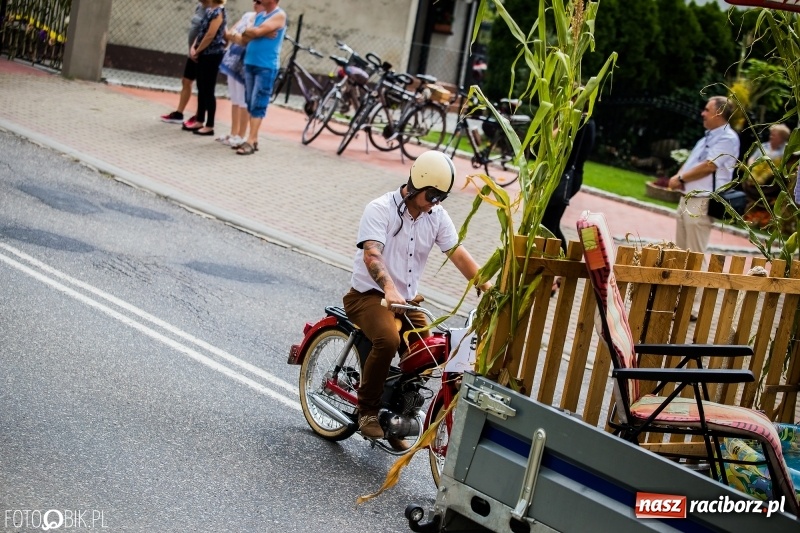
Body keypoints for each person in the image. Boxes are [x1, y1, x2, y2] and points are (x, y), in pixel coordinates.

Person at [342, 151, 492, 448]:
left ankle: (400, 411)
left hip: (406, 301)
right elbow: (371, 254)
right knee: (387, 339)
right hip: (368, 295)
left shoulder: (436, 216)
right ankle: (367, 411)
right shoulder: (380, 209)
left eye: (441, 197)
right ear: (416, 185)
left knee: (429, 350)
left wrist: (486, 286)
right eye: (432, 195)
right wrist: (389, 288)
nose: (435, 203)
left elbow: (457, 254)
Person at [668, 96, 740, 263]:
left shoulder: (728, 138)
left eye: (707, 110)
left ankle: (697, 282)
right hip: (687, 198)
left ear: (719, 113)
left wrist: (680, 178)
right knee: (680, 254)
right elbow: (691, 162)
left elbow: (709, 166)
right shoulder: (706, 137)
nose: (702, 113)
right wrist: (678, 177)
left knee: (694, 257)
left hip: (702, 200)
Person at [227, 0, 286, 155]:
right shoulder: (260, 16)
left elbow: (253, 33)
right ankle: (254, 139)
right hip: (250, 63)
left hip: (265, 66)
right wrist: (257, 32)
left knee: (259, 102)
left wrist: (256, 32)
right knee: (250, 101)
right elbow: (244, 38)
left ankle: (251, 140)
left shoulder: (279, 15)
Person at [541, 117, 596, 253]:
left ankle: (562, 259)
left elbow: (552, 141)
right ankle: (557, 258)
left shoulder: (581, 122)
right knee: (549, 223)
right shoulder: (584, 121)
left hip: (565, 179)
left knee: (549, 225)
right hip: (567, 178)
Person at [184, 0, 227, 136]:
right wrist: (194, 46)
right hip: (203, 53)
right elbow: (201, 32)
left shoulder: (218, 12)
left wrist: (198, 50)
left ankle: (210, 125)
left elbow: (210, 35)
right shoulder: (209, 11)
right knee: (201, 87)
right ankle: (199, 120)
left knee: (208, 89)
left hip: (212, 54)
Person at [160, 1, 206, 124]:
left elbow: (210, 33)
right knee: (186, 81)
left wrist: (199, 49)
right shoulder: (200, 6)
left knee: (203, 86)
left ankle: (199, 116)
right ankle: (179, 114)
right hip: (192, 53)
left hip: (203, 54)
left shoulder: (214, 10)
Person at [218, 10, 256, 147]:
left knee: (242, 100)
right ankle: (233, 133)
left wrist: (237, 36)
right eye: (255, 1)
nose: (255, 3)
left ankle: (241, 135)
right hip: (233, 59)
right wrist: (236, 36)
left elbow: (245, 40)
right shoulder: (247, 15)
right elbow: (229, 33)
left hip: (245, 62)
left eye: (259, 1)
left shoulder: (262, 20)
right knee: (234, 98)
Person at [742, 123, 791, 226]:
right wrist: (751, 168)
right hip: (755, 174)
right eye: (771, 134)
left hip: (771, 180)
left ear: (782, 138)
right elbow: (751, 158)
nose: (771, 136)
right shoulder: (764, 146)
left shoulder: (786, 151)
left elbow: (783, 167)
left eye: (774, 135)